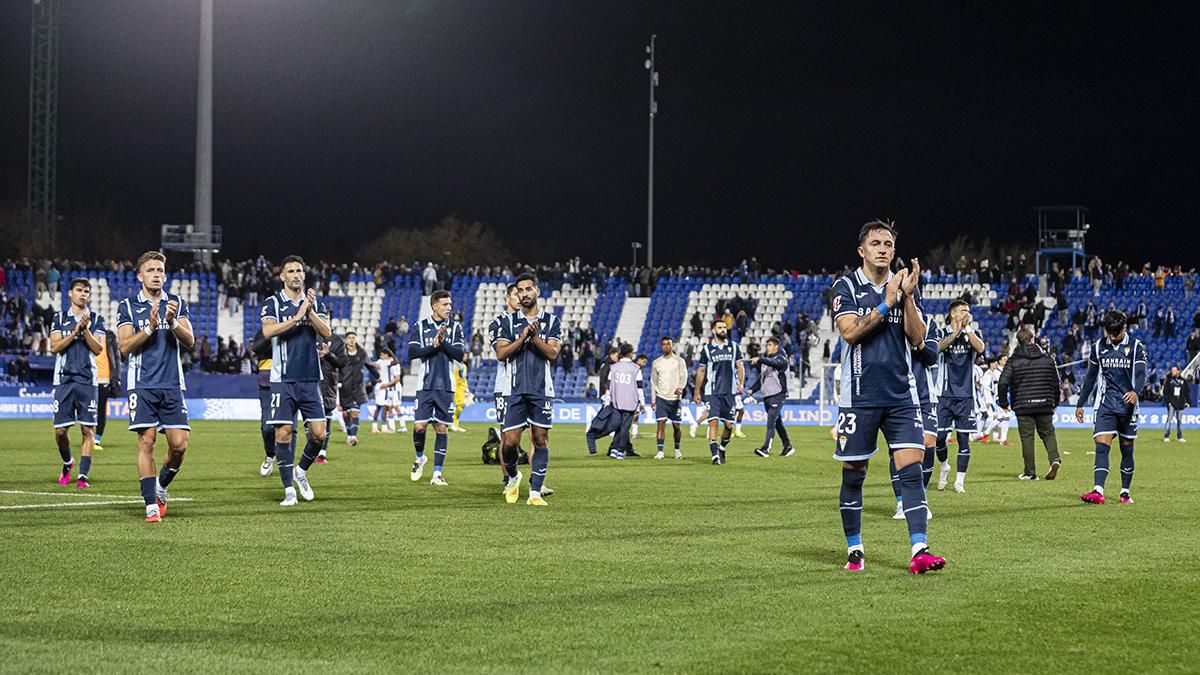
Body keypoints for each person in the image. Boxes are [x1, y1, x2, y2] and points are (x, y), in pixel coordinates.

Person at [831, 220, 944, 574]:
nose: (883, 249)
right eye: (876, 243)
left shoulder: (905, 284)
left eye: (889, 244)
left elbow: (918, 339)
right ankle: (855, 549)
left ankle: (920, 549)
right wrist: (886, 303)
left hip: (901, 396)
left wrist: (907, 297)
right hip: (859, 397)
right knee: (854, 475)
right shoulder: (846, 285)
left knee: (911, 471)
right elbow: (850, 333)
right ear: (861, 250)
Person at [116, 251, 195, 522]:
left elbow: (190, 340)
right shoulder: (128, 306)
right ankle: (151, 504)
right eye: (150, 270)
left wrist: (171, 322)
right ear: (140, 276)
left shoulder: (176, 303)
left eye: (160, 270)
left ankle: (161, 485)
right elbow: (124, 346)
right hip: (142, 384)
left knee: (179, 446)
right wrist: (150, 328)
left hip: (172, 383)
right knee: (146, 441)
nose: (156, 274)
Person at [260, 255, 332, 507]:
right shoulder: (273, 302)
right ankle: (288, 490)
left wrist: (309, 312)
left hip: (310, 378)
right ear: (282, 276)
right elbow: (268, 331)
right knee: (283, 433)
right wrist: (296, 317)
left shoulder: (315, 302)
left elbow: (327, 332)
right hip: (283, 379)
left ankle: (300, 472)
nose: (296, 275)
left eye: (299, 270)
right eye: (290, 271)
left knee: (319, 434)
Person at [493, 273, 561, 506]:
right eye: (520, 290)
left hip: (541, 390)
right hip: (514, 389)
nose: (524, 294)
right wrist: (523, 338)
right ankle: (513, 476)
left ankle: (535, 492)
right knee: (510, 442)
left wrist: (536, 338)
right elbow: (501, 353)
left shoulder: (551, 321)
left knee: (540, 439)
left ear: (537, 291)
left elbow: (553, 353)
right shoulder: (507, 322)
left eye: (528, 289)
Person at [1075, 310, 1147, 505]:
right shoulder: (1099, 346)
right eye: (1109, 333)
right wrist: (1080, 403)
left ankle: (1125, 492)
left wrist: (1136, 392)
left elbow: (1141, 374)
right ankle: (1098, 490)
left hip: (1128, 406)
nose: (1112, 337)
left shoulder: (1136, 346)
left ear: (1125, 327)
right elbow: (1091, 377)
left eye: (1116, 333)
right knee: (1101, 446)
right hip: (1105, 404)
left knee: (1127, 449)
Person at [49, 278, 106, 488]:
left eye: (86, 291)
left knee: (87, 430)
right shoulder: (59, 318)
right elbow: (54, 347)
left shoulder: (97, 319)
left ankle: (82, 476)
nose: (83, 294)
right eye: (79, 290)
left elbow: (98, 349)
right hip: (64, 379)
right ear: (70, 293)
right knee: (60, 432)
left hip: (87, 380)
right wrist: (75, 332)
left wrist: (85, 330)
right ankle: (68, 462)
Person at [407, 289, 466, 486]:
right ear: (434, 306)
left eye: (450, 304)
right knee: (419, 426)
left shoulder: (455, 328)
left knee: (441, 428)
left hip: (446, 386)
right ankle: (420, 457)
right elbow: (412, 353)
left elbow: (459, 355)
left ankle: (437, 474)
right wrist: (433, 346)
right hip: (425, 385)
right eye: (445, 304)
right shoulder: (420, 326)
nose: (449, 308)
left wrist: (442, 343)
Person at [934, 299, 986, 493]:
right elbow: (937, 348)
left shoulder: (972, 334)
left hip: (966, 396)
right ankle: (944, 466)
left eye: (968, 311)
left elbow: (980, 348)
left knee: (964, 439)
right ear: (953, 314)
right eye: (963, 310)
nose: (967, 314)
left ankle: (959, 482)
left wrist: (967, 329)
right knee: (940, 438)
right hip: (943, 394)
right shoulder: (940, 333)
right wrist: (956, 332)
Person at [996, 329, 1063, 480]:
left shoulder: (1013, 360)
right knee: (1048, 433)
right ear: (1032, 339)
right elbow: (1056, 383)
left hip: (1023, 404)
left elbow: (1003, 382)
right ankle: (1054, 459)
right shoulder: (1047, 358)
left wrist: (1004, 403)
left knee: (1027, 438)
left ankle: (1030, 472)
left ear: (1019, 341)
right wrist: (1055, 401)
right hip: (1045, 403)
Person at [692, 319, 745, 465]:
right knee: (713, 422)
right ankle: (714, 455)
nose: (723, 330)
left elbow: (740, 366)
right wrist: (696, 391)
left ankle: (722, 448)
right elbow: (701, 371)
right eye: (720, 327)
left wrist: (741, 383)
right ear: (714, 330)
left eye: (724, 327)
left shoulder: (734, 347)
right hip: (712, 392)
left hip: (730, 392)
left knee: (729, 426)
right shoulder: (707, 349)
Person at [587, 343, 644, 459]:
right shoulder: (636, 369)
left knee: (616, 425)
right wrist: (642, 403)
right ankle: (620, 450)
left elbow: (609, 386)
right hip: (630, 402)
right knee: (624, 427)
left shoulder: (613, 368)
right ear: (630, 353)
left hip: (616, 401)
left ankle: (614, 449)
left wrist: (608, 400)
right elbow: (639, 388)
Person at [747, 337, 794, 458]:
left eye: (769, 345)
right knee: (777, 422)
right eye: (767, 345)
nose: (767, 347)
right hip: (767, 395)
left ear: (776, 346)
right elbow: (762, 377)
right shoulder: (767, 361)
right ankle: (787, 445)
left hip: (778, 394)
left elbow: (775, 363)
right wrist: (752, 389)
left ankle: (766, 448)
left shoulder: (781, 358)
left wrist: (760, 359)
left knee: (771, 421)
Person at [650, 336, 688, 460]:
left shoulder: (679, 361)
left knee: (676, 426)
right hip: (661, 397)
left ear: (672, 346)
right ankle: (660, 451)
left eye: (668, 344)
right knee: (661, 424)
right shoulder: (656, 363)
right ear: (661, 346)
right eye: (664, 344)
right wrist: (653, 399)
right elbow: (653, 382)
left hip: (675, 399)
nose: (666, 346)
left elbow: (684, 376)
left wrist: (681, 387)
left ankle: (677, 449)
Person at [337, 331, 375, 446]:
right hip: (344, 388)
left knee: (355, 413)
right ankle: (349, 435)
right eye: (349, 337)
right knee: (346, 414)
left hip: (358, 387)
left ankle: (353, 437)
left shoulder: (361, 352)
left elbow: (369, 365)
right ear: (346, 340)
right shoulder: (341, 353)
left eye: (353, 337)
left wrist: (377, 376)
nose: (352, 339)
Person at [92, 328, 120, 451]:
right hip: (89, 379)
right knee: (88, 410)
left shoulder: (109, 336)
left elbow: (116, 357)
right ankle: (88, 437)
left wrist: (116, 377)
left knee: (101, 410)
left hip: (104, 379)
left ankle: (96, 439)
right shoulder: (88, 333)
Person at [370, 349, 397, 433]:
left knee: (378, 407)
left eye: (382, 354)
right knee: (385, 407)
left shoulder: (380, 361)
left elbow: (374, 365)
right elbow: (395, 361)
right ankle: (384, 427)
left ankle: (374, 427)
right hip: (384, 386)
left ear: (386, 355)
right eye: (381, 355)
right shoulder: (387, 361)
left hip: (379, 386)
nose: (381, 356)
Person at [1163, 364, 1189, 442]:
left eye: (1174, 370)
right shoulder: (1169, 381)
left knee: (1179, 421)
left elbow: (1187, 392)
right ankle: (1166, 436)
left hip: (1181, 403)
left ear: (1178, 371)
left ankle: (1180, 437)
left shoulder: (1184, 381)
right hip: (1172, 403)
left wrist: (1188, 402)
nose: (1173, 372)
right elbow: (1165, 392)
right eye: (1172, 370)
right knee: (1169, 419)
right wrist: (1168, 402)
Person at [450, 360, 469, 432]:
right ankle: (452, 424)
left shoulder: (464, 366)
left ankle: (456, 425)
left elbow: (464, 378)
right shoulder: (454, 365)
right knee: (458, 406)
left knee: (461, 406)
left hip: (462, 388)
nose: (465, 357)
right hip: (456, 388)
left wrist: (466, 387)